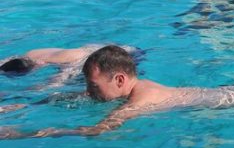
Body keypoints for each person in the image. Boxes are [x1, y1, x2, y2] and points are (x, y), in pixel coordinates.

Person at [0, 46, 234, 139]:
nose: (87, 91)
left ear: (120, 80)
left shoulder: (141, 99)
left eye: (93, 85)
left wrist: (24, 134)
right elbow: (76, 100)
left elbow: (96, 131)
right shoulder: (131, 91)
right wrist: (20, 107)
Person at [1, 44, 137, 87]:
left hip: (131, 53)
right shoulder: (31, 54)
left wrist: (32, 91)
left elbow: (57, 81)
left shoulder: (71, 61)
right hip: (102, 46)